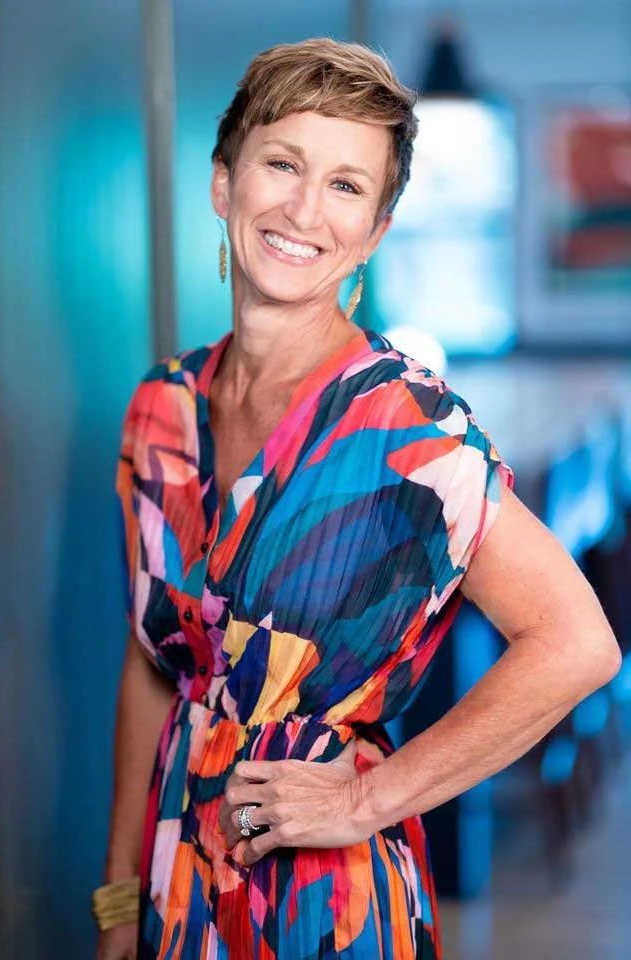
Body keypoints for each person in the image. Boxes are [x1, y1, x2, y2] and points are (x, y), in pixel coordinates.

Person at [95, 37, 621, 960]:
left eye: (345, 185)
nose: (304, 210)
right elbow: (153, 665)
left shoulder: (409, 424)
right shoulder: (159, 409)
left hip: (323, 900)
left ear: (374, 232)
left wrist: (367, 800)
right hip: (175, 880)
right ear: (223, 183)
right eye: (282, 164)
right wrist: (119, 901)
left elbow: (579, 644)